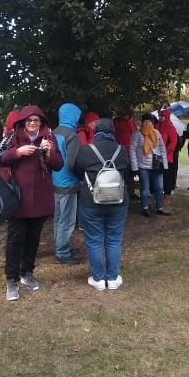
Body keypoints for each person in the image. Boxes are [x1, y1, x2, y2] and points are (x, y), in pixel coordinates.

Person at [0, 105, 63, 301]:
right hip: (18, 198)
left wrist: (49, 153)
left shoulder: (49, 138)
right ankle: (12, 279)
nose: (33, 123)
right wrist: (17, 152)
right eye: (29, 120)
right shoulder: (12, 137)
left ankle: (27, 272)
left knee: (33, 238)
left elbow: (59, 165)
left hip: (41, 198)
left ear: (41, 122)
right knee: (15, 240)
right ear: (23, 122)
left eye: (36, 120)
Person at [74, 118, 131, 290]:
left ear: (95, 132)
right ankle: (112, 278)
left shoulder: (85, 150)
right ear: (113, 132)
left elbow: (77, 171)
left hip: (91, 201)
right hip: (118, 201)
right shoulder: (121, 150)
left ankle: (98, 279)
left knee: (94, 240)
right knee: (114, 239)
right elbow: (127, 171)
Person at [52, 102, 83, 265]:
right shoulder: (72, 136)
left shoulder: (54, 132)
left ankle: (59, 246)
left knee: (58, 218)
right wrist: (81, 177)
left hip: (55, 181)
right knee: (67, 220)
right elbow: (72, 163)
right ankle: (62, 253)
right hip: (68, 183)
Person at [129, 113, 169, 217]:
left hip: (156, 164)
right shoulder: (137, 134)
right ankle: (145, 207)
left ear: (153, 122)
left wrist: (165, 165)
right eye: (145, 121)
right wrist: (135, 167)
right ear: (142, 122)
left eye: (150, 121)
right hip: (143, 166)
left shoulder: (157, 133)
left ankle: (159, 207)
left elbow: (162, 149)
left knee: (159, 187)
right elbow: (132, 150)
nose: (148, 123)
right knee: (145, 188)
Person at [158, 109, 179, 209]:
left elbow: (173, 142)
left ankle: (167, 195)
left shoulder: (170, 127)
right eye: (160, 116)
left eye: (162, 116)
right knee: (160, 176)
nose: (160, 118)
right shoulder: (158, 126)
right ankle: (160, 194)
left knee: (168, 177)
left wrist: (165, 152)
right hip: (158, 156)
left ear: (166, 117)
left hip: (167, 157)